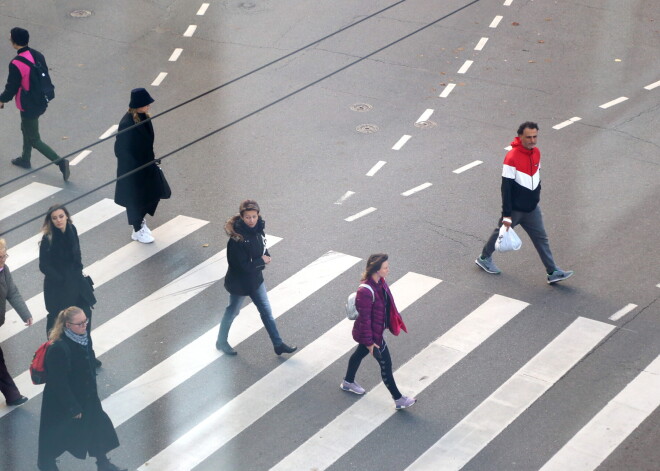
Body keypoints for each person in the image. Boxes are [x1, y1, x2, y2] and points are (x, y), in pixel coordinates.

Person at [475, 121, 574, 284]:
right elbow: (506, 188)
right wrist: (506, 214)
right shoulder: (511, 157)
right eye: (529, 137)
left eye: (535, 136)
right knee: (500, 233)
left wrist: (536, 197)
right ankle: (484, 258)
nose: (532, 140)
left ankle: (552, 271)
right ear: (520, 136)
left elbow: (537, 176)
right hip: (515, 209)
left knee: (541, 238)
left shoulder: (536, 153)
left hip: (532, 208)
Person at [37, 306, 126, 471]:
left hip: (87, 397)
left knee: (98, 429)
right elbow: (58, 383)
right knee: (56, 438)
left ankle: (103, 464)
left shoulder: (83, 337)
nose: (84, 325)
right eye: (79, 324)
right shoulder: (59, 348)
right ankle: (46, 465)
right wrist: (73, 407)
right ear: (67, 325)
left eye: (86, 321)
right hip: (64, 402)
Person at [216, 200, 297, 356]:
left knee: (266, 312)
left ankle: (278, 344)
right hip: (240, 284)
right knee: (232, 312)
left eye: (254, 216)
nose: (251, 220)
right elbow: (241, 266)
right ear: (241, 217)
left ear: (258, 215)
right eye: (248, 217)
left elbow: (263, 247)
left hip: (256, 280)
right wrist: (262, 261)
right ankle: (221, 341)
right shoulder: (236, 239)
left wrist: (266, 255)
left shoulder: (259, 229)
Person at [341, 253, 417, 410]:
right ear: (376, 270)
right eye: (385, 268)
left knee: (357, 355)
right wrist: (370, 343)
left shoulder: (380, 282)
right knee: (386, 365)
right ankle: (398, 399)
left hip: (375, 331)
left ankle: (348, 382)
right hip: (371, 336)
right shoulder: (365, 291)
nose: (388, 270)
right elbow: (365, 320)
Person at [0, 27, 69, 181]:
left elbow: (11, 87)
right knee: (26, 128)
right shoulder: (37, 55)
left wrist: (2, 100)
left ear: (14, 41)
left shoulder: (16, 63)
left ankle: (60, 162)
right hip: (41, 100)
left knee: (34, 138)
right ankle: (25, 159)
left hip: (29, 104)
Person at [39, 204, 101, 368]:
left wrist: (77, 272)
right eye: (54, 218)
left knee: (84, 320)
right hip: (58, 289)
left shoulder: (72, 229)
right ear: (50, 221)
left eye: (61, 216)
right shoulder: (48, 238)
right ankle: (58, 356)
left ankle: (88, 356)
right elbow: (43, 266)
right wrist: (61, 279)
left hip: (77, 285)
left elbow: (77, 254)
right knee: (58, 323)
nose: (58, 220)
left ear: (66, 216)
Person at [114, 87, 162, 244]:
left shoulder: (144, 117)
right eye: (146, 103)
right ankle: (137, 229)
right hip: (133, 171)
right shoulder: (127, 123)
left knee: (153, 194)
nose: (149, 105)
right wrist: (133, 167)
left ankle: (140, 222)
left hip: (146, 166)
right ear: (138, 105)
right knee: (135, 199)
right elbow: (120, 149)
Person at [0, 238, 33, 406]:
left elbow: (12, 292)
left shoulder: (4, 270)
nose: (3, 260)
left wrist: (25, 314)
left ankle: (12, 395)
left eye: (4, 255)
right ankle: (12, 395)